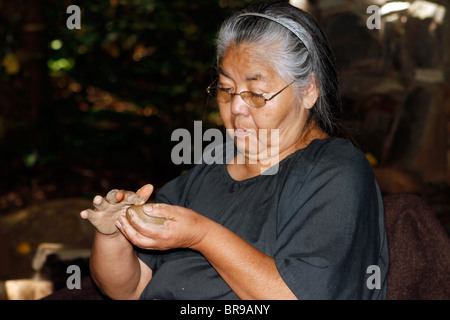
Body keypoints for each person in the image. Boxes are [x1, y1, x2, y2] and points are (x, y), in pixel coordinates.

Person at [80, 2, 389, 300]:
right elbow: (129, 289)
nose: (236, 108)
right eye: (226, 90)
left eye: (256, 93)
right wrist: (112, 234)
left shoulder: (335, 171)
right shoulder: (207, 173)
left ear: (308, 89)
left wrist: (201, 235)